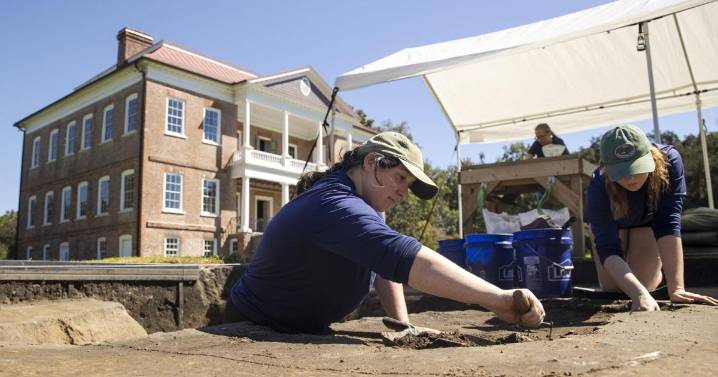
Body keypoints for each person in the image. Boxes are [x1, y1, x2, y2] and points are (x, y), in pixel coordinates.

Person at [227, 131, 545, 333]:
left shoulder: (367, 205)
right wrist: (498, 299)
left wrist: (403, 325)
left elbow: (382, 265)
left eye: (409, 185)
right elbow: (398, 255)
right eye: (400, 178)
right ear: (371, 163)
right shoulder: (335, 203)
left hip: (298, 326)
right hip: (255, 325)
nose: (404, 192)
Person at [587, 125, 718, 311]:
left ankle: (652, 278)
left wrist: (677, 288)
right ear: (606, 168)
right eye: (622, 172)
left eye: (636, 168)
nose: (631, 178)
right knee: (613, 288)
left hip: (646, 223)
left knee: (644, 283)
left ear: (650, 156)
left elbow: (668, 223)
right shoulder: (598, 183)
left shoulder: (670, 161)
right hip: (615, 225)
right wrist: (638, 294)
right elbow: (607, 247)